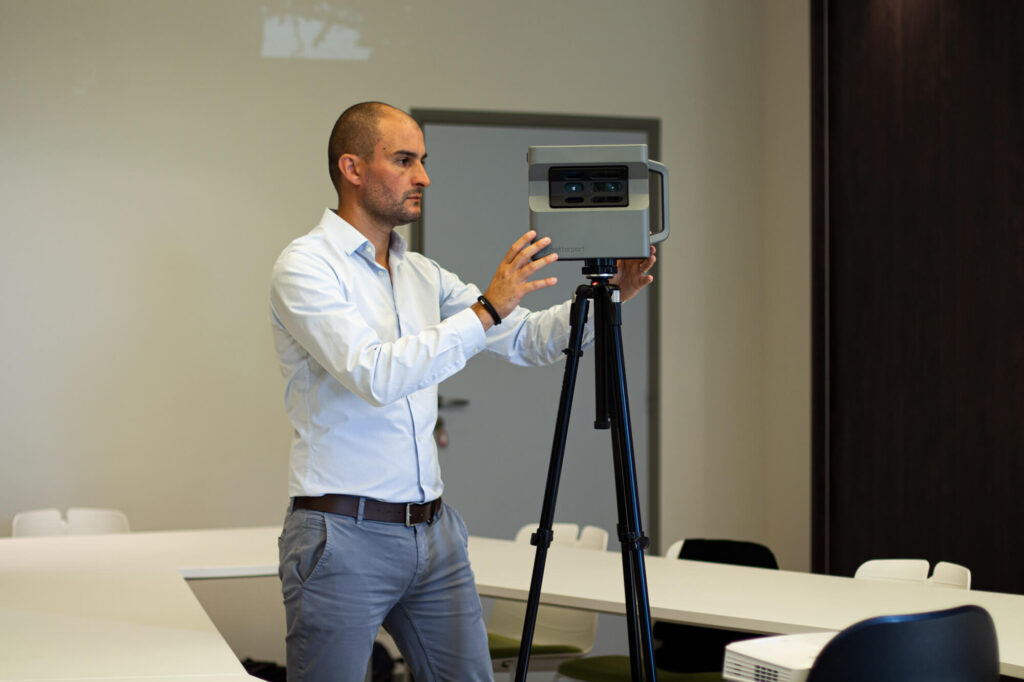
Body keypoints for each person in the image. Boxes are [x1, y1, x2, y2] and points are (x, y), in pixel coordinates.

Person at [269, 101, 656, 682]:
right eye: (404, 160)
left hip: (434, 535)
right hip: (342, 535)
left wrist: (609, 296)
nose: (423, 177)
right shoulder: (305, 266)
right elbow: (375, 375)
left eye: (423, 161)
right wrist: (485, 309)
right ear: (352, 168)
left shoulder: (423, 274)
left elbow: (526, 339)